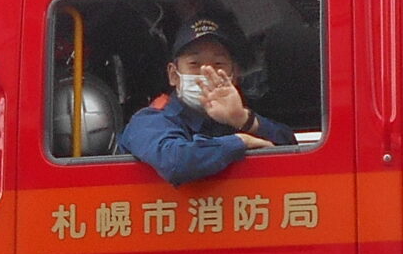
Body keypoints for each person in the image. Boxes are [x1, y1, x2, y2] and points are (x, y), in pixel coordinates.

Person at [118, 18, 296, 184]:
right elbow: (175, 163)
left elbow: (291, 149)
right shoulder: (148, 121)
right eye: (194, 64)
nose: (206, 72)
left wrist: (244, 120)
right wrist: (241, 142)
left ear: (233, 75)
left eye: (218, 64)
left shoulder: (236, 120)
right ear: (174, 75)